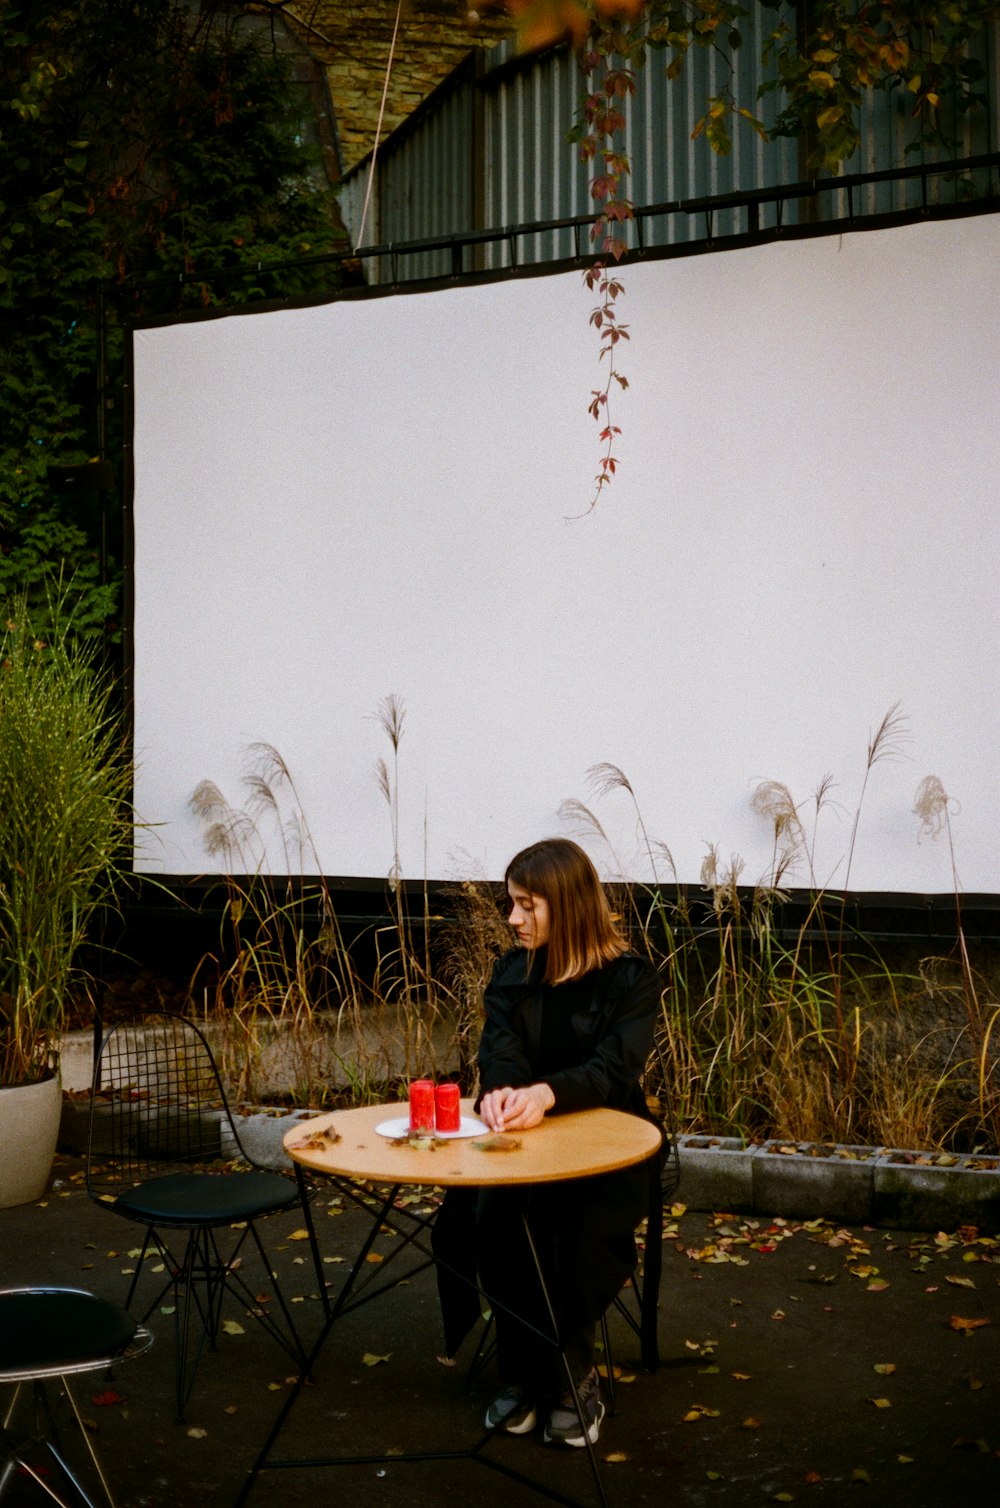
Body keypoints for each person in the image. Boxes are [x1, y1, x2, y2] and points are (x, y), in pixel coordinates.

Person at [473, 837, 663, 1449]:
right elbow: (498, 1050)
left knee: (569, 1229)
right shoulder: (512, 972)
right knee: (490, 1216)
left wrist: (546, 1096)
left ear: (569, 904)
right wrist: (499, 1094)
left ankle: (565, 1378)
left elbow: (615, 1070)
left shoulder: (630, 980)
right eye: (512, 904)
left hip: (609, 1154)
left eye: (527, 905)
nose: (513, 919)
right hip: (519, 1148)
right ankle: (527, 1377)